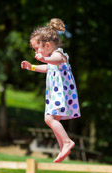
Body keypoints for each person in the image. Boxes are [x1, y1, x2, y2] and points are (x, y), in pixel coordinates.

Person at [21, 18, 81, 163]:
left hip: (62, 92)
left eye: (37, 48)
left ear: (47, 45)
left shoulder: (59, 55)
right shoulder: (51, 59)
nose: (36, 51)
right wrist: (32, 67)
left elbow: (55, 61)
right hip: (57, 93)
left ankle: (67, 142)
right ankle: (62, 147)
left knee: (49, 118)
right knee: (54, 120)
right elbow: (49, 68)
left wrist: (42, 58)